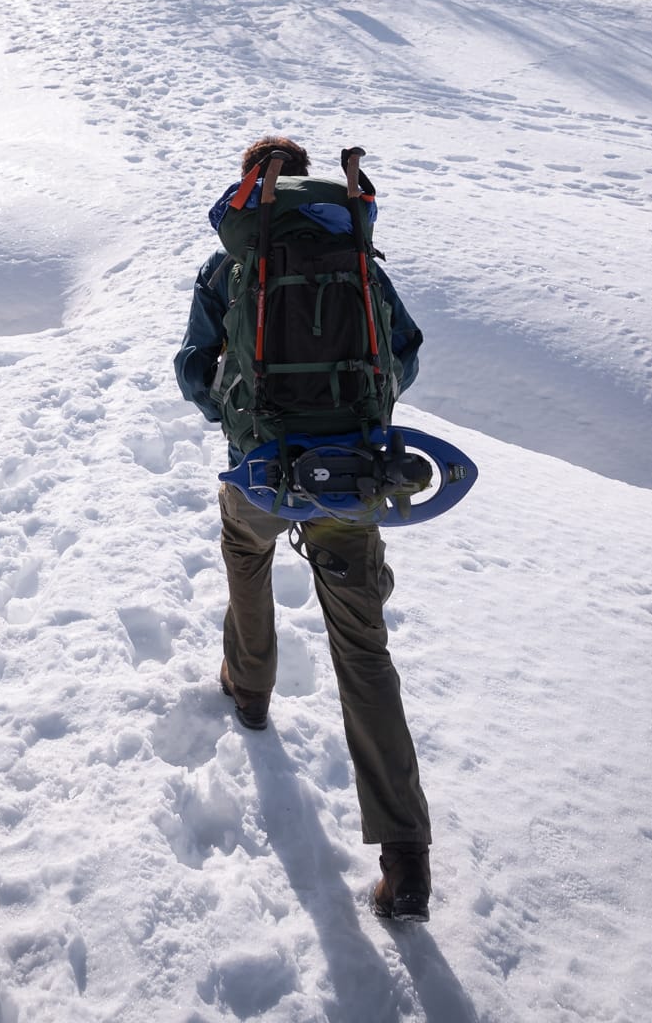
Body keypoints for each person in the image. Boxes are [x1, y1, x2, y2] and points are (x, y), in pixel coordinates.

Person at [174, 134, 434, 923]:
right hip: (351, 475)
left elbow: (194, 368)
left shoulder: (232, 267)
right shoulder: (356, 260)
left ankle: (249, 688)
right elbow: (406, 355)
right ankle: (405, 858)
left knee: (244, 554)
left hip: (262, 471)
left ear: (255, 186)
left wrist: (241, 422)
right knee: (362, 646)